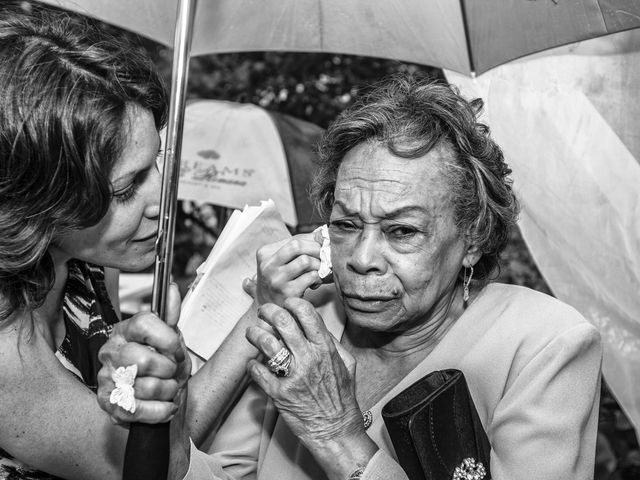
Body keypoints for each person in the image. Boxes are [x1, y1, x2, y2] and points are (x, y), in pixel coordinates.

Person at [98, 75, 603, 480]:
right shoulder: (306, 322)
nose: (360, 258)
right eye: (344, 224)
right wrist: (169, 417)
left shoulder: (543, 346)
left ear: (471, 238)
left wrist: (336, 432)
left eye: (402, 231)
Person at [0, 3, 259, 479]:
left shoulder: (84, 264)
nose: (164, 199)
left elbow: (166, 423)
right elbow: (160, 465)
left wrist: (260, 312)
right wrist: (167, 378)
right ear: (35, 202)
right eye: (125, 188)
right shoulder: (5, 363)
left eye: (156, 162)